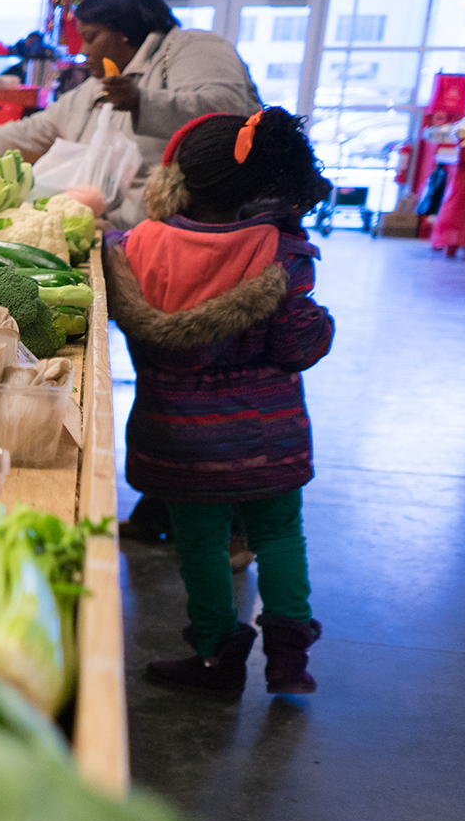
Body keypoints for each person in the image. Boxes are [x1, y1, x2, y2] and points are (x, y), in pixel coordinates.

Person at [104, 108, 334, 696]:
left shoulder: (136, 247)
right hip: (268, 435)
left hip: (178, 438)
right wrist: (322, 325)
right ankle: (288, 660)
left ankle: (214, 656)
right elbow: (297, 344)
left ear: (179, 180)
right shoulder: (280, 253)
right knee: (279, 536)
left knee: (201, 543)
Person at [0, 0, 260, 226]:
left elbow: (227, 112)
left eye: (91, 38)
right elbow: (32, 131)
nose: (85, 51)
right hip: (113, 236)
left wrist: (141, 103)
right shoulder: (94, 89)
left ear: (125, 32)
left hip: (190, 243)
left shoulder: (191, 46)